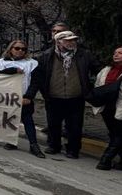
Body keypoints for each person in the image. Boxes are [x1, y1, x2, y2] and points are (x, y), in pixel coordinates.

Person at [28, 30, 100, 159]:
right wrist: (31, 95)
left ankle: (73, 149)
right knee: (53, 123)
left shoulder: (84, 55)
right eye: (68, 40)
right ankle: (54, 145)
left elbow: (98, 70)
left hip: (76, 96)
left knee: (75, 125)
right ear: (58, 42)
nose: (72, 43)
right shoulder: (46, 56)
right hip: (53, 96)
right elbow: (38, 77)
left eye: (73, 40)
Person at [0, 40, 44, 158]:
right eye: (17, 48)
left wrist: (29, 96)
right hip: (5, 98)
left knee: (27, 120)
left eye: (23, 49)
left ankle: (33, 145)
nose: (20, 51)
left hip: (23, 97)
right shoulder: (1, 63)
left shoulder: (32, 63)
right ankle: (11, 141)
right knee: (9, 119)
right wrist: (12, 70)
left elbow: (35, 82)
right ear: (11, 49)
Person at [92, 46, 122, 170]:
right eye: (114, 53)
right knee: (116, 134)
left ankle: (105, 160)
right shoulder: (107, 70)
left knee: (119, 134)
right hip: (107, 107)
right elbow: (98, 85)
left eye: (120, 53)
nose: (116, 55)